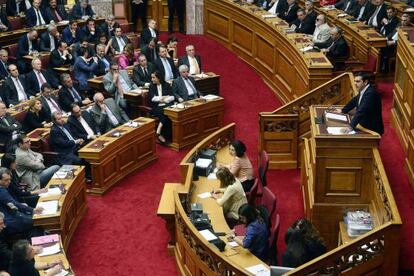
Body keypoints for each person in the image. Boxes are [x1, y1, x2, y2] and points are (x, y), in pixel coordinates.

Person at [0, 168, 43, 236]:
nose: (9, 182)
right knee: (38, 221)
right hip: (9, 221)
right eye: (6, 180)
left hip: (12, 215)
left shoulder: (3, 188)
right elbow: (14, 203)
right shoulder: (1, 191)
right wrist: (32, 210)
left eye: (9, 179)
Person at [148, 71, 174, 144]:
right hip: (157, 107)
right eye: (151, 77)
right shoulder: (151, 86)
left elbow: (172, 97)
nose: (152, 79)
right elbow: (153, 98)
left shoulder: (167, 85)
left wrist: (163, 100)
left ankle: (160, 131)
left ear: (159, 78)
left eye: (153, 77)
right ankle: (160, 132)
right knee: (165, 112)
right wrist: (164, 97)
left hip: (166, 105)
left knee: (167, 112)